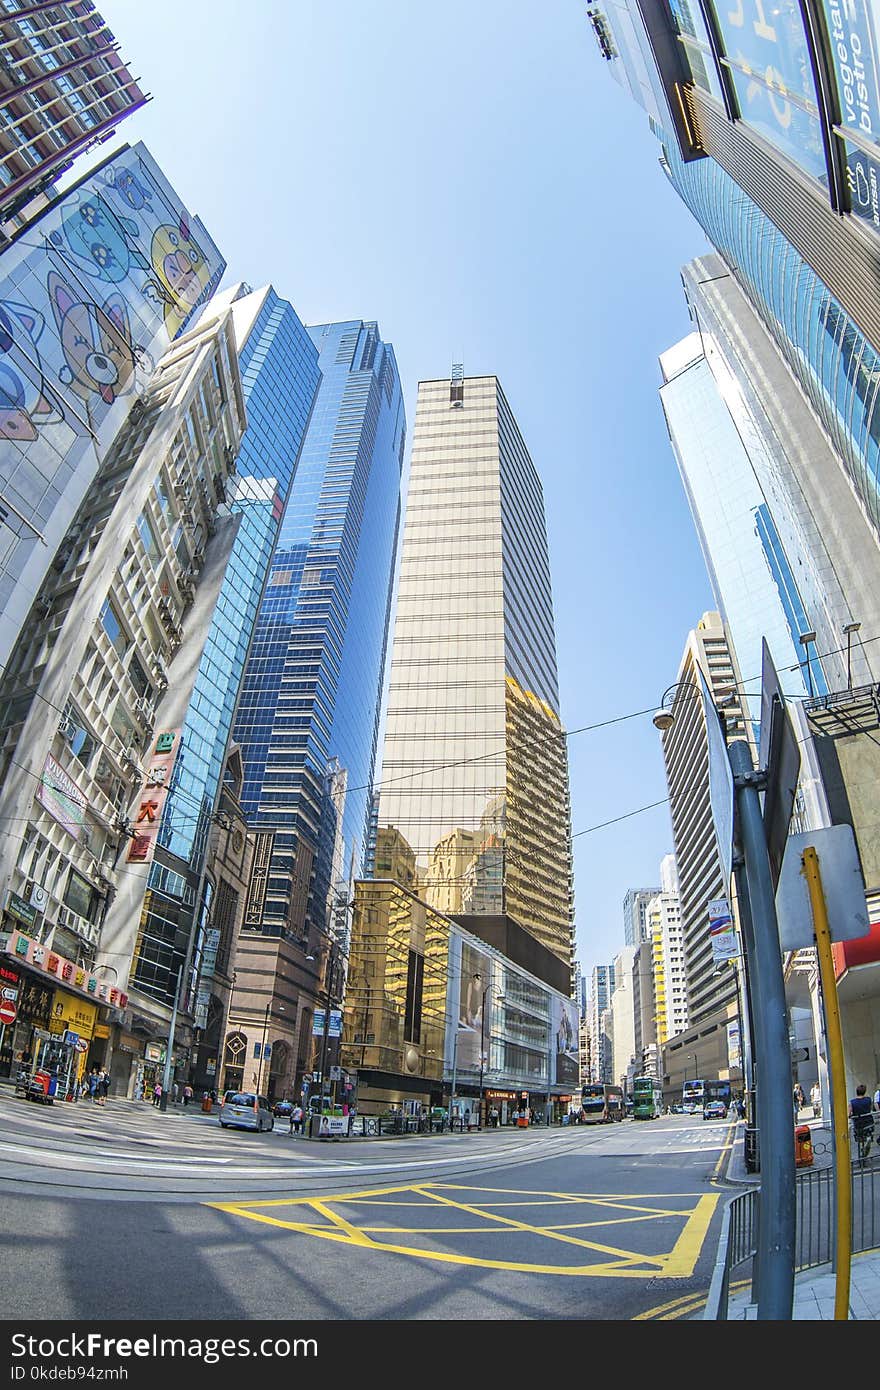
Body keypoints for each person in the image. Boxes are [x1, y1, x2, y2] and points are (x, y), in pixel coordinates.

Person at [849, 1083, 873, 1156]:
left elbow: (849, 1114)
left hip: (858, 1124)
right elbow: (871, 1109)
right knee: (868, 1135)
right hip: (869, 1122)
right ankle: (868, 1140)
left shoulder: (852, 1102)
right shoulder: (868, 1099)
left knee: (860, 1139)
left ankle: (862, 1150)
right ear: (864, 1091)